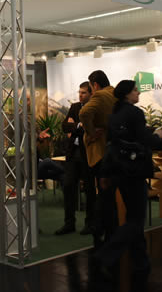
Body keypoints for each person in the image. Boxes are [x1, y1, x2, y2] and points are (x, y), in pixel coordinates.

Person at [94, 80, 162, 291]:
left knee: (135, 220)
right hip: (135, 173)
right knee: (135, 220)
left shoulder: (114, 115)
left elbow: (111, 146)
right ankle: (105, 255)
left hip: (120, 172)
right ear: (127, 94)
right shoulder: (135, 113)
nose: (138, 93)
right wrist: (158, 136)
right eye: (135, 90)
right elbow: (146, 141)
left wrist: (105, 173)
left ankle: (141, 263)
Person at [79, 70, 116, 244]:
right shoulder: (115, 93)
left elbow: (84, 113)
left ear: (95, 85)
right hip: (113, 150)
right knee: (110, 194)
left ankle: (99, 230)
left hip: (100, 151)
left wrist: (91, 132)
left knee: (102, 194)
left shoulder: (100, 95)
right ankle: (110, 232)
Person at [55, 81, 94, 235]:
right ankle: (69, 223)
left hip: (88, 154)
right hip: (73, 154)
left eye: (84, 92)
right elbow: (65, 126)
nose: (80, 95)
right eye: (79, 92)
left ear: (91, 93)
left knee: (89, 190)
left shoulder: (94, 108)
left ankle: (90, 224)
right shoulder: (75, 107)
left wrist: (75, 126)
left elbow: (91, 130)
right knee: (68, 186)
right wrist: (78, 126)